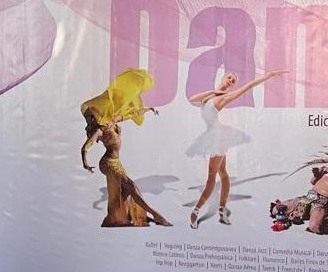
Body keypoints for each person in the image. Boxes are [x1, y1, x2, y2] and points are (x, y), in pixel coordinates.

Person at [187, 71, 285, 229]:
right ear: (223, 78)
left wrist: (269, 75)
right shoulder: (212, 96)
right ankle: (221, 209)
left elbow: (249, 86)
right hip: (213, 135)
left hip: (218, 138)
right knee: (223, 173)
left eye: (233, 81)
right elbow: (192, 99)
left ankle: (195, 211)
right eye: (229, 78)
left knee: (211, 177)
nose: (230, 82)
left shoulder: (225, 97)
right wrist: (214, 91)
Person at [80, 69, 171, 227]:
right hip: (108, 163)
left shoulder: (113, 121)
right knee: (131, 186)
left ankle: (121, 217)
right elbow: (85, 147)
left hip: (116, 162)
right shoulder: (100, 130)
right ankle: (156, 215)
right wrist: (85, 163)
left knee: (125, 191)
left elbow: (133, 113)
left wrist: (149, 109)